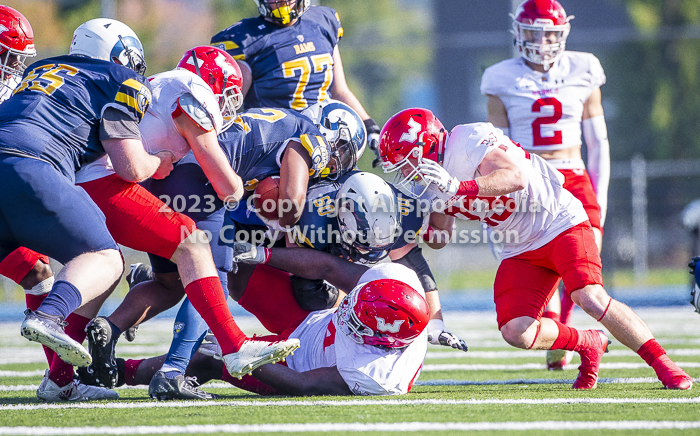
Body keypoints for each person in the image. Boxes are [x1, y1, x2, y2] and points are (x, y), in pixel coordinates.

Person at [377, 107, 693, 390]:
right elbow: (442, 235)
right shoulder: (431, 185)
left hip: (558, 221)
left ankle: (664, 365)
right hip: (519, 245)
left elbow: (516, 177)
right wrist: (419, 229)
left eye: (405, 164)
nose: (406, 174)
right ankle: (588, 342)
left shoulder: (467, 139)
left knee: (589, 297)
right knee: (517, 331)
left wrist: (457, 187)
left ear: (426, 146)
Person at [80, 100, 362, 400]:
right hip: (200, 179)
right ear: (330, 129)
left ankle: (109, 329)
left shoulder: (280, 123)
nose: (338, 160)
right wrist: (282, 220)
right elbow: (291, 204)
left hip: (173, 176)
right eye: (342, 148)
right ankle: (173, 372)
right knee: (214, 280)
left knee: (171, 283)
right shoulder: (308, 135)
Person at [70, 43, 300, 388]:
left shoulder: (161, 82)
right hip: (146, 182)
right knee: (206, 264)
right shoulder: (194, 94)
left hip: (121, 181)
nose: (230, 100)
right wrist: (244, 194)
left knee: (170, 282)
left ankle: (107, 329)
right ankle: (182, 367)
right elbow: (227, 186)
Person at [2, 17, 162, 388]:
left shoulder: (39, 70)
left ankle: (59, 383)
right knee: (105, 258)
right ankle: (49, 316)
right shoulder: (121, 80)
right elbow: (131, 167)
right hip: (32, 162)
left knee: (35, 274)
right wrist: (161, 158)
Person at [480, 0, 610, 370]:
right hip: (529, 179)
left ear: (564, 31)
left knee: (584, 267)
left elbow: (598, 143)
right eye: (534, 33)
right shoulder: (500, 77)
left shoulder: (584, 67)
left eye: (550, 32)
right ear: (518, 33)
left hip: (573, 171)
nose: (542, 41)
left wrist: (599, 198)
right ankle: (557, 328)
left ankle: (560, 329)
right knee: (538, 258)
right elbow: (497, 147)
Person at [109, 257, 430, 397]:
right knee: (234, 263)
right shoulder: (393, 282)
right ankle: (163, 280)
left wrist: (236, 353)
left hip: (290, 362)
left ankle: (117, 372)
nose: (349, 312)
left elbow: (303, 384)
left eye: (359, 322)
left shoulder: (379, 375)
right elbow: (327, 266)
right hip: (309, 321)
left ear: (383, 341)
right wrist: (265, 253)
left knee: (210, 354)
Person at [291, 170, 469, 351]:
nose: (370, 252)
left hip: (348, 220)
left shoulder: (405, 213)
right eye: (364, 245)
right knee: (308, 299)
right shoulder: (313, 221)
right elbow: (306, 288)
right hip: (290, 230)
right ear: (343, 222)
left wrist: (435, 324)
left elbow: (413, 264)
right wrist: (362, 303)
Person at [210, 0, 384, 166]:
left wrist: (371, 129)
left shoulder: (323, 21)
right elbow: (229, 109)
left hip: (328, 141)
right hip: (275, 148)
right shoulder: (244, 39)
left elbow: (339, 91)